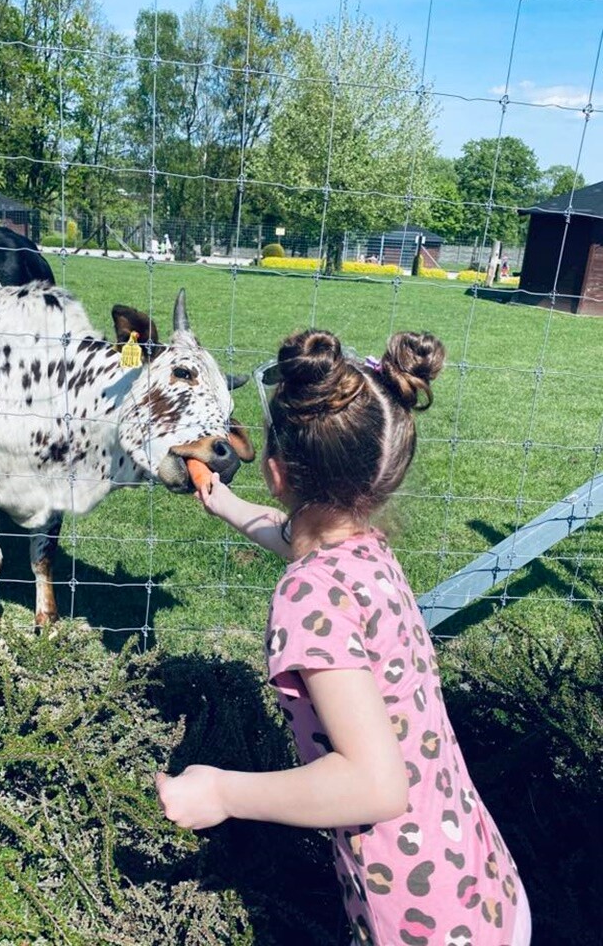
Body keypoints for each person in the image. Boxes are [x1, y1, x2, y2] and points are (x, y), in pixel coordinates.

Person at [155, 329, 531, 946]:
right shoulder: (364, 554)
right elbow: (295, 535)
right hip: (481, 883)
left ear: (276, 471)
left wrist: (221, 792)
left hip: (419, 919)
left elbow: (372, 786)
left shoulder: (307, 594)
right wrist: (226, 504)